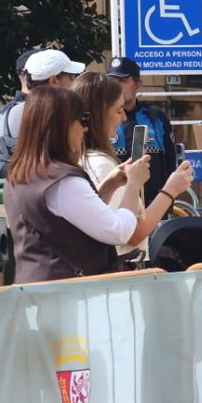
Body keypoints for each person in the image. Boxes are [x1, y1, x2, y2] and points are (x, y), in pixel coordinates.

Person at [4, 84, 193, 283]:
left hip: (34, 286)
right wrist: (137, 185)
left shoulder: (19, 175)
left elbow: (74, 219)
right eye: (81, 120)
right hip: (69, 291)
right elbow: (121, 231)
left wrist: (109, 185)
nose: (85, 128)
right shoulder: (63, 181)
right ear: (62, 125)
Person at [74, 72, 145, 264]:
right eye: (119, 110)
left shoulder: (74, 161)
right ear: (99, 114)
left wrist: (112, 184)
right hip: (119, 268)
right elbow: (131, 234)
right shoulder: (100, 164)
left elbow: (91, 214)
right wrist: (170, 190)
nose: (124, 118)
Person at [107, 56, 181, 204]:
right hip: (115, 205)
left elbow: (170, 162)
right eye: (112, 81)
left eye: (122, 81)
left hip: (154, 204)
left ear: (136, 85)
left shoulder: (157, 118)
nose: (115, 86)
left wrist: (167, 199)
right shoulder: (102, 118)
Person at [0, 48, 84, 143]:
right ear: (53, 80)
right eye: (71, 77)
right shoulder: (47, 114)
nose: (73, 83)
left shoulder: (9, 112)